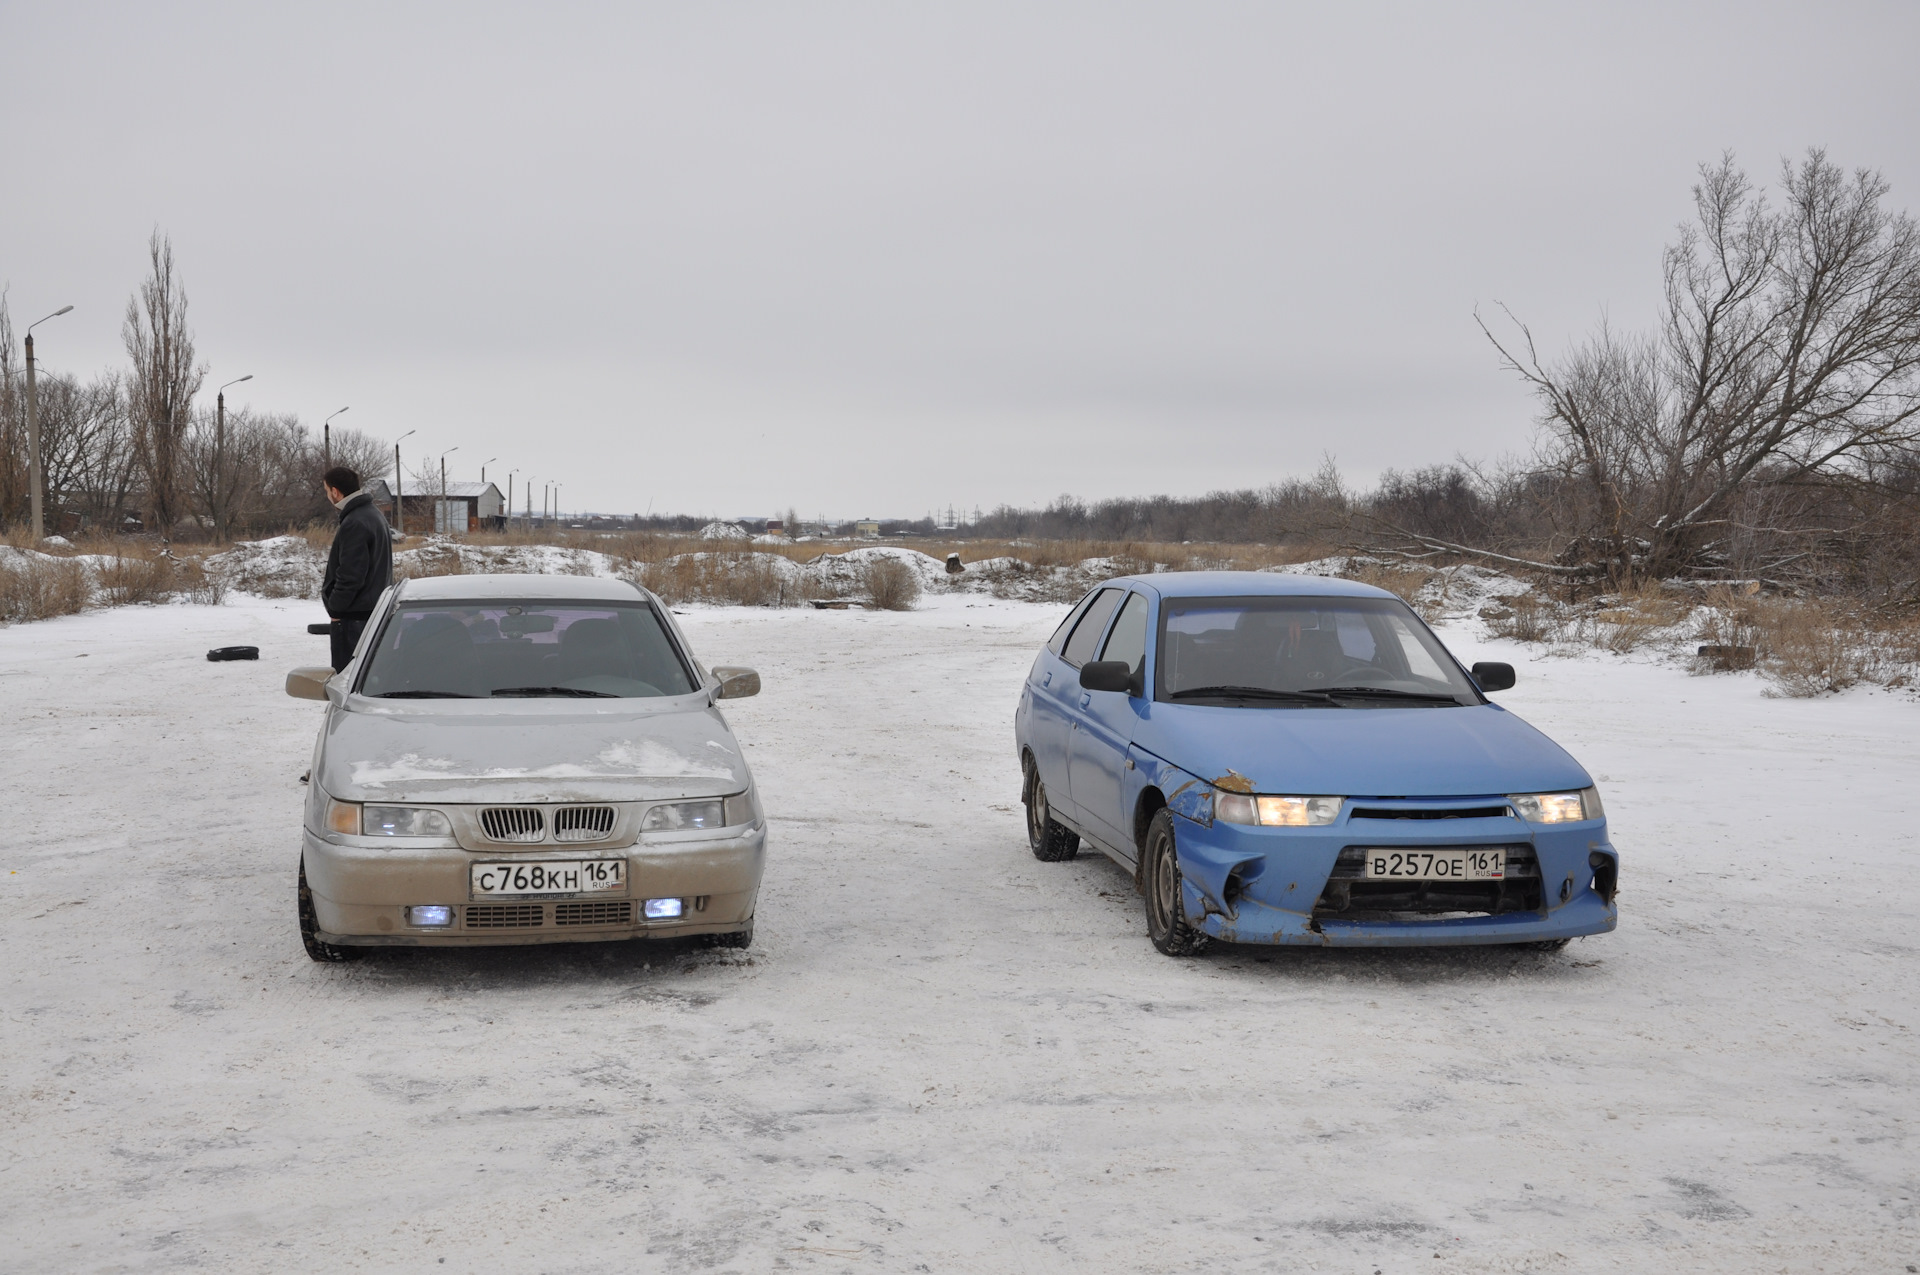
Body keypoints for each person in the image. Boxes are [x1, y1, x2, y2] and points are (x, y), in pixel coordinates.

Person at [320, 465, 394, 672]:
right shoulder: (373, 514)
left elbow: (351, 575)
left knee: (349, 679)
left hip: (354, 618)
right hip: (370, 612)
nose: (328, 496)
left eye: (327, 491)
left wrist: (336, 609)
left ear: (335, 491)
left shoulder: (355, 521)